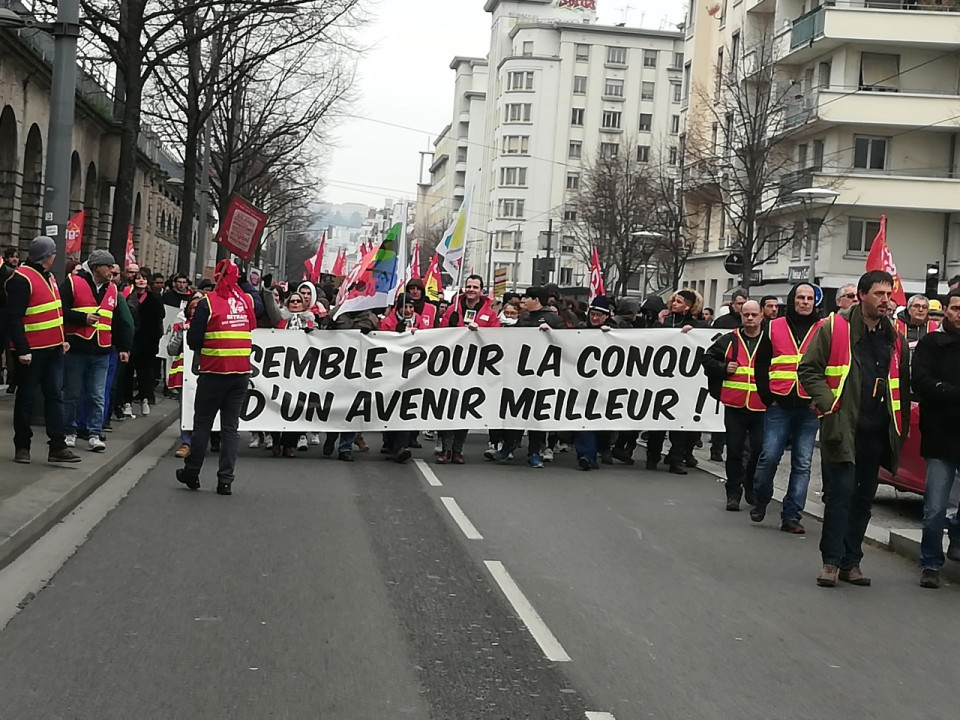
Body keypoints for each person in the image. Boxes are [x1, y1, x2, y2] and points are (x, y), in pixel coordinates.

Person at [799, 270, 910, 588]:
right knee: (840, 494)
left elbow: (902, 385)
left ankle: (852, 561)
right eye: (879, 294)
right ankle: (831, 562)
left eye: (888, 295)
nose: (886, 300)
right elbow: (808, 369)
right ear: (862, 295)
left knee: (864, 498)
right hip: (843, 426)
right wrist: (827, 403)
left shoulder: (894, 337)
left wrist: (898, 429)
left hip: (877, 431)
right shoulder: (835, 328)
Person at [177, 259, 256, 495]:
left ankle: (192, 472)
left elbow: (193, 340)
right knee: (230, 429)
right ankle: (225, 481)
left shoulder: (207, 302)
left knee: (203, 424)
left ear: (218, 277)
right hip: (240, 374)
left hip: (213, 372)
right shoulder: (245, 301)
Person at [750, 283, 822, 533]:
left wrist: (821, 398)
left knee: (802, 463)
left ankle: (792, 515)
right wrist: (766, 396)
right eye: (801, 297)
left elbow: (830, 366)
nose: (805, 302)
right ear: (792, 300)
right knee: (768, 456)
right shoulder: (773, 326)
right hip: (778, 403)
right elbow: (760, 363)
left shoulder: (824, 328)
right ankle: (761, 499)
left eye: (810, 298)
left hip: (809, 405)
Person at [5, 237, 81, 464]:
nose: (55, 256)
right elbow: (14, 318)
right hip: (32, 351)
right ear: (47, 256)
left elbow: (55, 313)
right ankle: (22, 446)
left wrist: (62, 339)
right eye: (53, 252)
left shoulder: (49, 277)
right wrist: (22, 349)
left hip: (53, 349)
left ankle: (57, 446)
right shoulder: (21, 279)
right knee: (26, 398)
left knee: (55, 396)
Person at [910, 289, 960, 589]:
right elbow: (922, 381)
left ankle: (956, 537)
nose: (959, 314)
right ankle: (930, 562)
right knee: (934, 508)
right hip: (940, 436)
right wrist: (952, 394)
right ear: (945, 312)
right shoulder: (931, 343)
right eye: (955, 308)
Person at [486, 286, 562, 468]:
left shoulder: (554, 319)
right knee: (517, 411)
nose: (523, 301)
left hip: (543, 376)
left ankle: (534, 452)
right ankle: (509, 446)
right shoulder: (524, 318)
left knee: (536, 415)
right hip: (522, 374)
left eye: (527, 297)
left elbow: (569, 342)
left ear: (537, 300)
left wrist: (552, 333)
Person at [701, 300, 766, 510]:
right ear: (741, 316)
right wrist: (723, 368)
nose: (750, 318)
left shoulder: (770, 342)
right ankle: (733, 493)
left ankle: (750, 484)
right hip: (735, 406)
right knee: (735, 451)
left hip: (761, 406)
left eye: (754, 314)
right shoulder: (730, 340)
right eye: (746, 314)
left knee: (758, 451)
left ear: (761, 316)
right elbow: (707, 360)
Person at [59, 249, 124, 452]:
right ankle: (69, 431)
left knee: (97, 395)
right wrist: (82, 319)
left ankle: (94, 433)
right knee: (72, 393)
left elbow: (119, 321)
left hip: (103, 349)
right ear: (97, 268)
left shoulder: (113, 289)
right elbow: (61, 310)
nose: (112, 270)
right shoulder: (73, 282)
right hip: (77, 347)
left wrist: (123, 347)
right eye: (109, 266)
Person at [647, 289, 704, 473]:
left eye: (678, 302)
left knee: (680, 422)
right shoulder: (664, 321)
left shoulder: (696, 326)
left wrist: (690, 333)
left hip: (684, 382)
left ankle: (676, 459)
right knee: (658, 422)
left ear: (688, 306)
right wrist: (660, 323)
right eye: (673, 301)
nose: (674, 304)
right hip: (661, 379)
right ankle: (652, 457)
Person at [573, 295, 614, 470]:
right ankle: (586, 456)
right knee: (585, 419)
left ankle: (601, 449)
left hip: (607, 386)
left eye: (599, 315)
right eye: (592, 315)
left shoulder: (617, 332)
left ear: (607, 316)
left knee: (602, 421)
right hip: (583, 385)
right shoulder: (580, 331)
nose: (595, 318)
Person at [124, 271, 164, 416]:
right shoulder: (129, 297)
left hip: (148, 342)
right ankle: (127, 402)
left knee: (145, 373)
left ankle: (145, 399)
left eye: (144, 278)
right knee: (127, 373)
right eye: (138, 278)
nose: (141, 281)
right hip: (131, 340)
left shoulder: (154, 298)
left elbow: (160, 318)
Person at [168, 293, 203, 458]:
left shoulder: (210, 326)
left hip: (205, 372)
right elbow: (171, 350)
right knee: (186, 407)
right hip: (186, 375)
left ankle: (203, 440)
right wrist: (180, 334)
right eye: (193, 307)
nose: (196, 310)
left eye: (199, 307)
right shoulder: (181, 326)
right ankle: (186, 442)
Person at [1, 245, 20, 393]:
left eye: (16, 256)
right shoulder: (5, 272)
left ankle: (12, 379)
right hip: (4, 314)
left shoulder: (19, 273)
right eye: (12, 256)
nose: (15, 259)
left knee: (11, 348)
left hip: (10, 315)